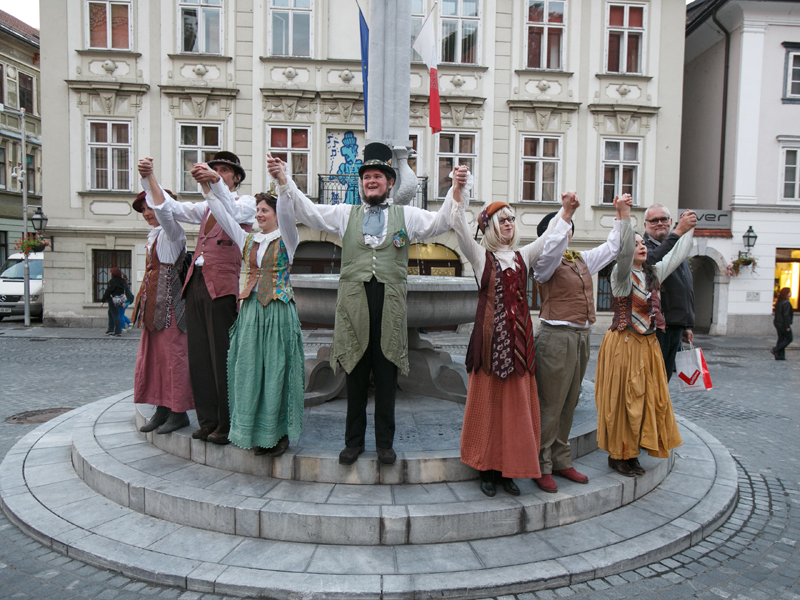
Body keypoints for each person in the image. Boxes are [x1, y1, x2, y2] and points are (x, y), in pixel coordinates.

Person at [272, 142, 461, 466]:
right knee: (355, 373)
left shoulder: (408, 216)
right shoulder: (346, 214)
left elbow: (440, 223)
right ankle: (353, 443)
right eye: (367, 177)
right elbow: (310, 213)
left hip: (390, 306)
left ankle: (385, 444)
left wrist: (457, 188)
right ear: (362, 183)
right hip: (354, 305)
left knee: (387, 377)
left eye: (377, 176)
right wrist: (285, 181)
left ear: (389, 183)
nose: (371, 181)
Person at [451, 165, 577, 497]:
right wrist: (457, 189)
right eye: (502, 220)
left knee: (514, 408)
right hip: (490, 344)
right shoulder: (481, 257)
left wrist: (566, 211)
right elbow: (459, 228)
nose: (508, 224)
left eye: (511, 219)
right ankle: (487, 469)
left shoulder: (522, 256)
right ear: (491, 227)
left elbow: (549, 237)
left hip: (520, 344)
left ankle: (509, 469)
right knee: (489, 405)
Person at [532, 194, 634, 494]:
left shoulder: (580, 260)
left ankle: (561, 459)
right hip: (556, 339)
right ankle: (542, 464)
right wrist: (564, 213)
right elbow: (552, 247)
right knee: (549, 406)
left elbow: (612, 248)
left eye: (568, 227)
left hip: (580, 337)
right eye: (562, 228)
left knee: (569, 403)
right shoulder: (543, 262)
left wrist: (622, 214)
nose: (567, 232)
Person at [203, 173, 305, 456]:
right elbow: (224, 218)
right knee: (250, 369)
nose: (259, 214)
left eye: (264, 210)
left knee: (276, 369)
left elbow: (287, 214)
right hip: (250, 311)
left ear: (276, 214)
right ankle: (256, 432)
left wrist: (281, 181)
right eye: (257, 210)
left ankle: (278, 433)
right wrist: (208, 191)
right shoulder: (248, 239)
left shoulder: (288, 238)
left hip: (277, 310)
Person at [160, 151, 256, 445]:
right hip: (196, 283)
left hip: (222, 288)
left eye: (225, 171)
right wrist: (149, 179)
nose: (219, 174)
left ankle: (226, 424)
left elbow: (231, 214)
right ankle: (207, 421)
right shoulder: (205, 208)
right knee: (199, 358)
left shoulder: (247, 203)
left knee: (222, 359)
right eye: (215, 169)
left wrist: (215, 183)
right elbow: (172, 210)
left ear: (236, 178)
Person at [595, 221, 695, 477]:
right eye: (636, 244)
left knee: (646, 399)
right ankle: (619, 455)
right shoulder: (620, 272)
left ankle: (632, 452)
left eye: (643, 243)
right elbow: (628, 255)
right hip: (624, 343)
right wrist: (624, 216)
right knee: (623, 400)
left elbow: (679, 254)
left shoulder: (652, 273)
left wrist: (689, 226)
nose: (641, 247)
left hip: (648, 345)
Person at [131, 158, 194, 434]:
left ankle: (178, 412)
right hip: (154, 310)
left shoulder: (173, 233)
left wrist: (149, 179)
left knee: (174, 359)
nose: (146, 212)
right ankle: (162, 408)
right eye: (143, 209)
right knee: (156, 359)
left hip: (172, 309)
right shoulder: (153, 235)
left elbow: (166, 215)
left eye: (150, 207)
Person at [643, 205, 698, 379]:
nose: (660, 223)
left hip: (675, 323)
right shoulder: (644, 247)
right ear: (646, 225)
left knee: (664, 376)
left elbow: (685, 288)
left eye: (664, 219)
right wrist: (679, 232)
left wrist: (686, 324)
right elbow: (650, 264)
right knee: (655, 377)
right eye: (654, 220)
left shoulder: (677, 247)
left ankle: (659, 407)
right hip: (659, 325)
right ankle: (653, 407)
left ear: (671, 221)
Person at [101, 267, 126, 337]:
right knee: (111, 314)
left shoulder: (112, 281)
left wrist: (102, 301)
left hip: (112, 300)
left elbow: (108, 291)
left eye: (111, 272)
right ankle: (110, 330)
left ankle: (117, 331)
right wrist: (123, 302)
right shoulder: (122, 281)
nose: (110, 273)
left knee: (115, 315)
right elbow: (123, 292)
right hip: (119, 300)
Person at [773, 287, 794, 361]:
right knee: (789, 338)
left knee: (781, 338)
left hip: (777, 322)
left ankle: (780, 356)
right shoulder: (786, 303)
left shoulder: (779, 302)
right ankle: (776, 349)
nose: (790, 293)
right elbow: (786, 315)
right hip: (783, 323)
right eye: (789, 292)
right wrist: (787, 326)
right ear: (786, 293)